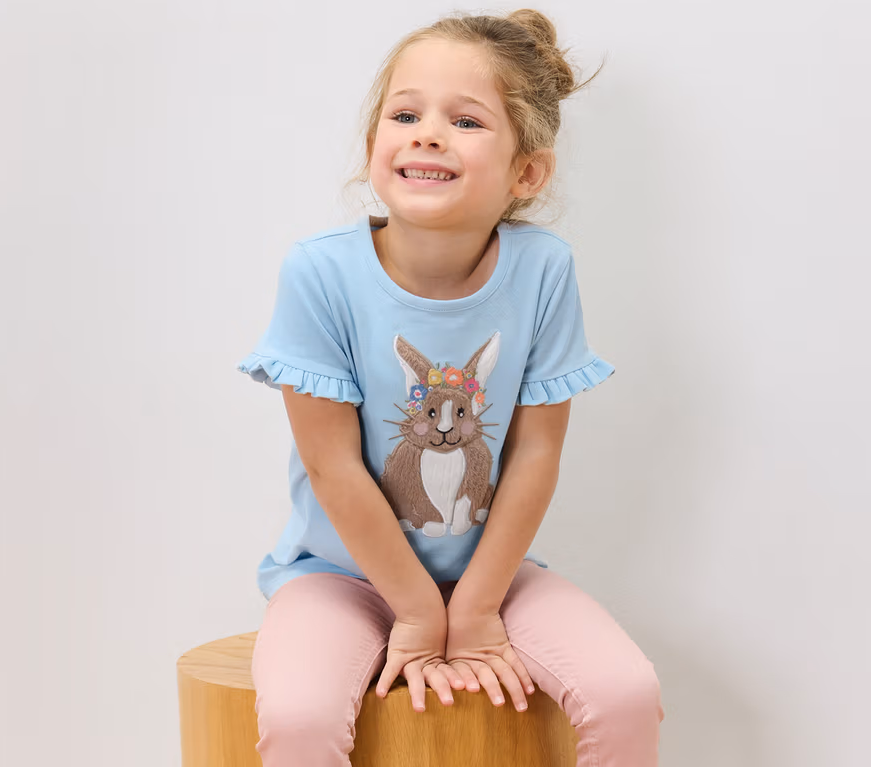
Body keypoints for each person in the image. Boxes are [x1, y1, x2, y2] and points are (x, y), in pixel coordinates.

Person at [236, 8, 664, 766]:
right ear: (374, 145)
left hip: (488, 577)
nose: (427, 134)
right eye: (405, 115)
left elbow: (535, 455)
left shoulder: (543, 270)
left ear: (526, 172)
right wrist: (413, 612)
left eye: (465, 121)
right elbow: (333, 466)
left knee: (625, 692)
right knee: (301, 718)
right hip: (339, 576)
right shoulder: (320, 273)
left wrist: (474, 607)